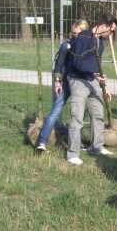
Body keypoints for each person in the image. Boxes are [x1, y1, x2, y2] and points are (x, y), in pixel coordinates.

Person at [66, 14, 117, 166]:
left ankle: (96, 147)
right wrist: (96, 71)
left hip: (92, 81)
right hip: (78, 81)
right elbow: (77, 62)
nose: (112, 34)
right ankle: (72, 154)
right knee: (77, 117)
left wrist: (100, 79)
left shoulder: (100, 43)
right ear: (103, 25)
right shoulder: (84, 37)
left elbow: (96, 66)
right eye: (112, 30)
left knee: (98, 114)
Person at [35, 19, 89, 152]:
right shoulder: (66, 46)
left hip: (80, 85)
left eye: (78, 34)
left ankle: (77, 142)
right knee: (55, 112)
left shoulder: (88, 47)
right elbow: (59, 65)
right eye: (73, 33)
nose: (74, 35)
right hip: (65, 84)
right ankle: (42, 142)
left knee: (79, 115)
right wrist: (58, 82)